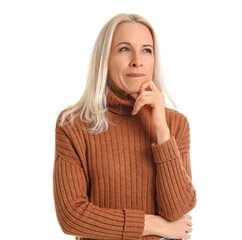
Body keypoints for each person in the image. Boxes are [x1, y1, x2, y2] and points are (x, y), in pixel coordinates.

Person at [53, 13, 196, 240]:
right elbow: (72, 216)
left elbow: (177, 212)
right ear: (105, 58)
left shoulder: (175, 124)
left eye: (146, 50)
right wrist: (151, 224)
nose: (137, 60)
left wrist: (161, 131)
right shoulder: (73, 124)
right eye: (124, 49)